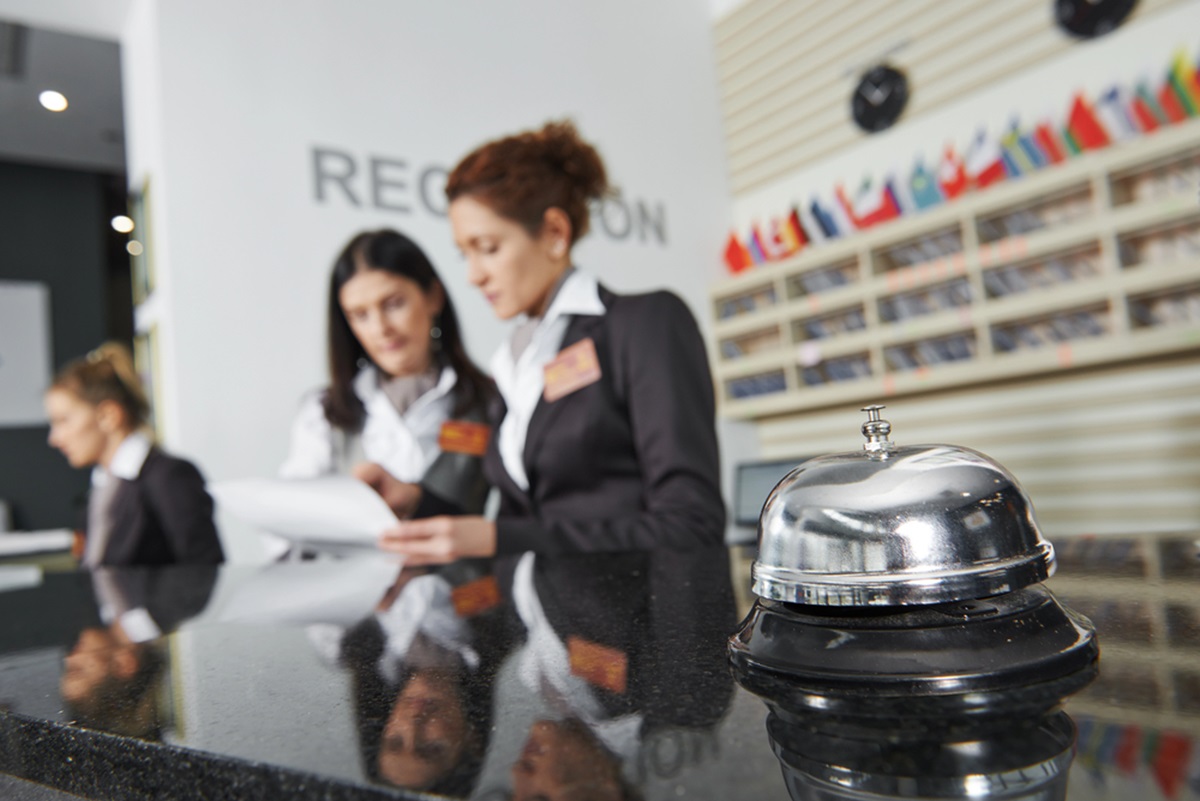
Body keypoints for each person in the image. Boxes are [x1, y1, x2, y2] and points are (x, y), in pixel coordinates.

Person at [375, 120, 724, 564]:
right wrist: (411, 500)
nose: (473, 274)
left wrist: (501, 540)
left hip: (635, 627)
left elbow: (692, 524)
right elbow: (518, 514)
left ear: (555, 234)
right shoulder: (511, 364)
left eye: (488, 247)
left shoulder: (643, 324)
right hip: (540, 627)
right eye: (465, 253)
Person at [280, 228, 494, 519]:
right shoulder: (324, 412)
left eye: (393, 304)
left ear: (433, 297)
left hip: (463, 566)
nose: (381, 329)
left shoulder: (491, 402)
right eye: (360, 315)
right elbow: (293, 519)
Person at [45, 343, 224, 567]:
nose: (54, 438)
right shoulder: (102, 488)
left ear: (107, 416)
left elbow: (204, 572)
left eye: (63, 421)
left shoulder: (168, 476)